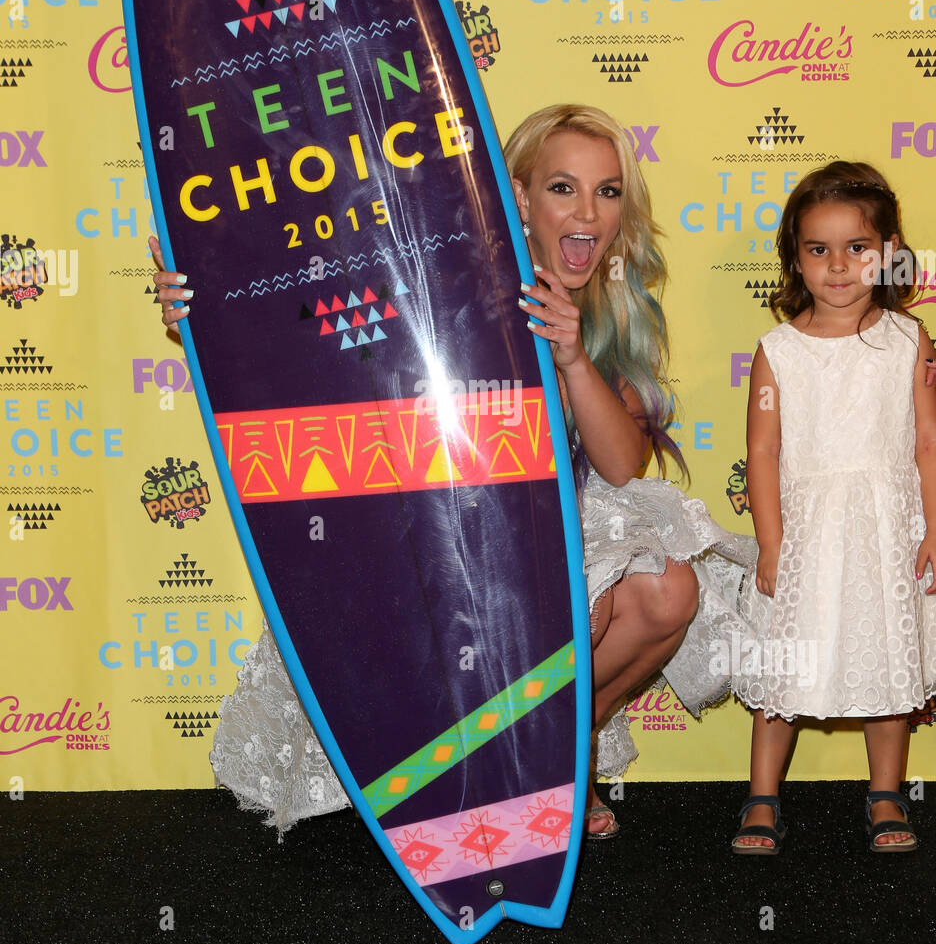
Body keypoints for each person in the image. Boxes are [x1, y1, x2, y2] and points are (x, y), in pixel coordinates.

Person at [149, 103, 759, 841]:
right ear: (520, 198)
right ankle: (482, 762)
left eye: (609, 191)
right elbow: (312, 356)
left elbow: (623, 463)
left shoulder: (609, 302)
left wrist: (570, 356)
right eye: (564, 188)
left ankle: (561, 754)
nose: (589, 213)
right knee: (565, 611)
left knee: (669, 589)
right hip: (433, 538)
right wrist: (202, 321)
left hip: (550, 529)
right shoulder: (441, 270)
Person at [731, 162, 936, 855]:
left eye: (858, 247)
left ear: (889, 252)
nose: (839, 265)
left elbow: (929, 442)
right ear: (795, 256)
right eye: (818, 249)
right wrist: (770, 542)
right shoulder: (778, 352)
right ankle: (762, 797)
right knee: (785, 669)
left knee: (888, 670)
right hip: (808, 534)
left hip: (886, 530)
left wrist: (934, 524)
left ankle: (885, 794)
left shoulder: (909, 340)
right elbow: (762, 453)